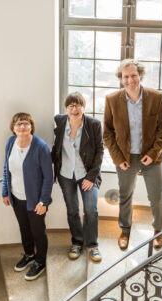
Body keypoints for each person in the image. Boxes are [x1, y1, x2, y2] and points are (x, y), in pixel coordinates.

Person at [103, 59, 162, 251]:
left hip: (152, 157)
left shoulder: (156, 97)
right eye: (126, 76)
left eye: (133, 75)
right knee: (125, 195)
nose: (130, 80)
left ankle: (158, 230)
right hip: (125, 158)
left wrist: (153, 152)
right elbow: (107, 133)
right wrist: (118, 159)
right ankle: (125, 230)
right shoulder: (112, 100)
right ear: (121, 79)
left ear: (140, 75)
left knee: (156, 196)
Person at [51, 92, 104, 262]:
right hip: (66, 174)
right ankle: (77, 242)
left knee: (91, 210)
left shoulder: (93, 124)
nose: (74, 109)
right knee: (72, 210)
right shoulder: (59, 120)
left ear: (84, 107)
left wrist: (91, 177)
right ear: (66, 107)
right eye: (71, 105)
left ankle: (92, 245)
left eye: (78, 105)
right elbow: (56, 147)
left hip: (87, 174)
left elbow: (100, 151)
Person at [2, 112, 53, 280]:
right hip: (16, 197)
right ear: (13, 128)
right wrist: (5, 191)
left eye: (25, 123)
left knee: (38, 231)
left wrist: (43, 201)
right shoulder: (10, 143)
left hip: (36, 200)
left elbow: (48, 177)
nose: (22, 126)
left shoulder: (40, 147)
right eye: (18, 124)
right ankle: (29, 254)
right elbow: (6, 168)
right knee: (24, 228)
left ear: (31, 126)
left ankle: (40, 261)